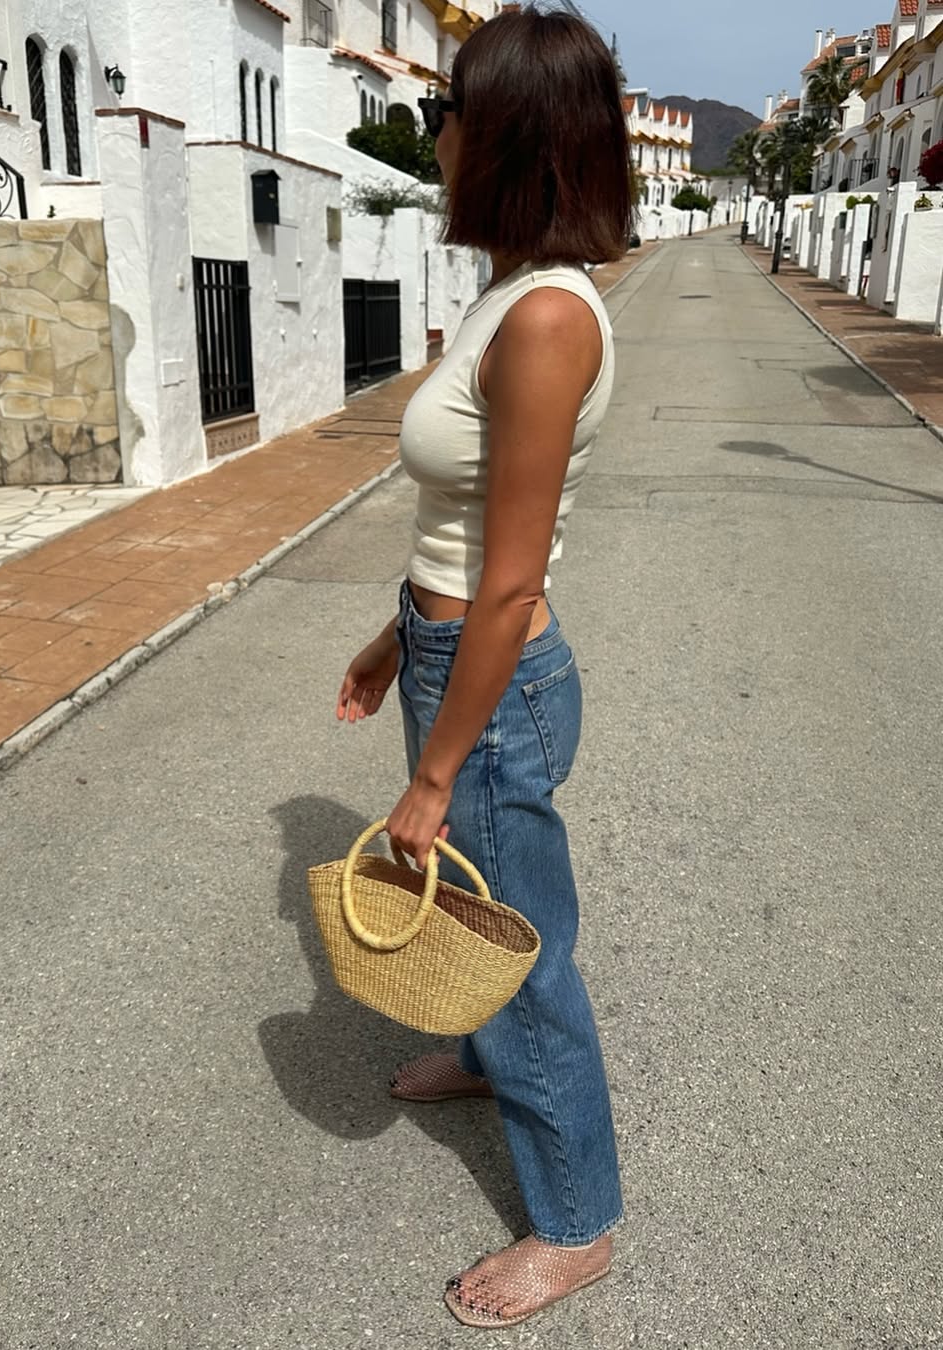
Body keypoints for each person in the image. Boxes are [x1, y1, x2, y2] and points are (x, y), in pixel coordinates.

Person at [336, 7, 630, 1329]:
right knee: (478, 901)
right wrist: (396, 633)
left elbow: (510, 579)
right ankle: (480, 1045)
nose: (436, 131)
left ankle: (575, 1221)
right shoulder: (509, 290)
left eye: (448, 109)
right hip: (453, 651)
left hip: (495, 681)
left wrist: (435, 771)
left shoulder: (550, 317)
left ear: (507, 133)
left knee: (531, 953)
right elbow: (461, 526)